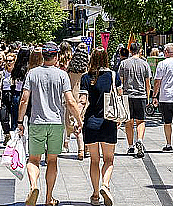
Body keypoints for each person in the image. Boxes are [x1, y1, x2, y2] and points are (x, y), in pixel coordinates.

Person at [17, 42, 84, 206]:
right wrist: (78, 120)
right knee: (52, 161)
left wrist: (20, 122)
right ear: (56, 57)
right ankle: (49, 198)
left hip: (37, 122)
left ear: (42, 56)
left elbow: (24, 99)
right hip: (55, 123)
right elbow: (70, 101)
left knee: (33, 159)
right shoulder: (62, 75)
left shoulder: (32, 73)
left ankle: (33, 186)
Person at [79, 47, 122, 206]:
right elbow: (119, 96)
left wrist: (78, 119)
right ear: (106, 58)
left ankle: (95, 195)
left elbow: (83, 101)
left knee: (94, 161)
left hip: (91, 122)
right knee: (109, 159)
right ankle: (105, 184)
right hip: (108, 121)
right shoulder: (113, 76)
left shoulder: (86, 77)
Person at [118, 42, 151, 158]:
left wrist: (120, 96)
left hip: (127, 96)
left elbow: (120, 81)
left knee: (129, 122)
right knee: (141, 121)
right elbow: (148, 83)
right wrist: (148, 97)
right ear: (140, 50)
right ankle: (140, 140)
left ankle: (131, 146)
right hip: (141, 96)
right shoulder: (145, 64)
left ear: (130, 51)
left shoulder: (123, 64)